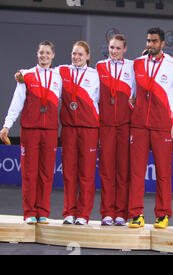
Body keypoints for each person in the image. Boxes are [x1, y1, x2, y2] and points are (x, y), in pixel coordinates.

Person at [0, 41, 62, 224]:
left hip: (50, 131)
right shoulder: (26, 75)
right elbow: (16, 103)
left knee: (46, 173)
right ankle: (29, 213)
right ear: (37, 54)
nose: (44, 56)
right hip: (30, 131)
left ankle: (42, 212)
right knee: (29, 173)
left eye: (47, 53)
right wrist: (6, 126)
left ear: (53, 55)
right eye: (41, 52)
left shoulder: (59, 76)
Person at [128, 27, 173, 229]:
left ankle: (162, 214)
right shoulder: (138, 63)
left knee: (163, 172)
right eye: (148, 41)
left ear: (163, 44)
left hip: (162, 126)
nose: (150, 44)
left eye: (154, 41)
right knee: (136, 172)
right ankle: (135, 214)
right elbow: (133, 92)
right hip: (140, 125)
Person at [58, 41, 100, 225]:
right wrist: (22, 75)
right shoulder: (62, 71)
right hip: (68, 129)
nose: (76, 57)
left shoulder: (96, 75)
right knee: (68, 172)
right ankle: (68, 212)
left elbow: (99, 101)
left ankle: (83, 214)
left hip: (89, 129)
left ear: (88, 56)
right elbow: (40, 71)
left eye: (80, 54)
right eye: (74, 53)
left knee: (86, 174)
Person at [96, 34, 136, 226]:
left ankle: (121, 212)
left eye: (118, 48)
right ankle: (107, 212)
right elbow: (94, 95)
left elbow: (136, 94)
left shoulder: (132, 67)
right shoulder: (99, 67)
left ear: (125, 49)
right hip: (106, 126)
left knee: (123, 171)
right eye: (112, 47)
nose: (114, 51)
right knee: (106, 171)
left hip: (125, 125)